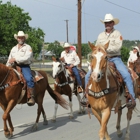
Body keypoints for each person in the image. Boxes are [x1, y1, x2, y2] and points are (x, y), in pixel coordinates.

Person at [81, 13, 136, 108]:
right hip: (102, 59)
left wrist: (104, 49)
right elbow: (96, 48)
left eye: (109, 22)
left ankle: (131, 97)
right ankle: (86, 96)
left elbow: (118, 47)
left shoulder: (117, 34)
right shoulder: (100, 35)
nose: (108, 24)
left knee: (126, 75)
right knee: (87, 76)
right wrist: (99, 52)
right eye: (106, 23)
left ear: (113, 23)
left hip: (115, 58)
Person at [6, 31, 35, 106]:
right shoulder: (13, 48)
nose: (20, 39)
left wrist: (15, 58)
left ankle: (31, 96)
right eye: (19, 37)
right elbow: (9, 59)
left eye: (22, 37)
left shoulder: (28, 47)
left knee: (28, 78)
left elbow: (26, 58)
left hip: (24, 66)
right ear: (17, 39)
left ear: (24, 38)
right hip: (14, 66)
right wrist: (7, 66)